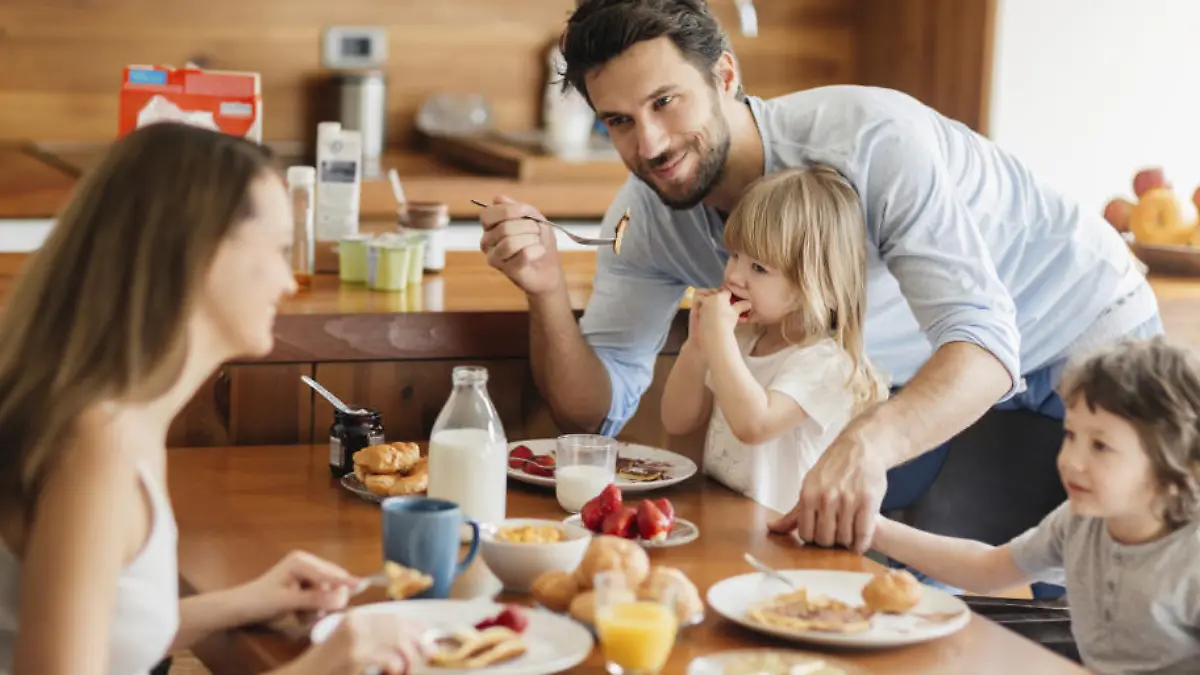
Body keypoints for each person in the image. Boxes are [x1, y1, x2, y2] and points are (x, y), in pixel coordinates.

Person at [477, 0, 1163, 573]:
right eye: (618, 121)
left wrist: (865, 445)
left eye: (665, 101)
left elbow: (984, 344)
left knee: (1088, 597)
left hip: (1081, 328)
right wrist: (542, 290)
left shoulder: (870, 141)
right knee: (907, 587)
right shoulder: (644, 215)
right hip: (940, 367)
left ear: (724, 75)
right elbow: (594, 414)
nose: (649, 142)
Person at [0, 123, 422, 675]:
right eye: (277, 248)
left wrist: (245, 602)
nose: (289, 281)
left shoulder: (113, 416)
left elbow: (103, 629)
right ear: (199, 253)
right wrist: (319, 669)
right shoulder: (94, 447)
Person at [870, 337, 1200, 675]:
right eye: (1071, 435)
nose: (1072, 461)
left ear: (1175, 464)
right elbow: (986, 569)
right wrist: (873, 528)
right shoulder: (1078, 522)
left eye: (1100, 446)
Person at [660, 166, 888, 515]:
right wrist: (697, 347)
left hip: (789, 544)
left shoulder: (825, 363)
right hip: (729, 524)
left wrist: (719, 339)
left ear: (814, 284)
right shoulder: (743, 341)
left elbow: (755, 425)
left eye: (759, 269)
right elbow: (677, 421)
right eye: (734, 255)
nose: (734, 275)